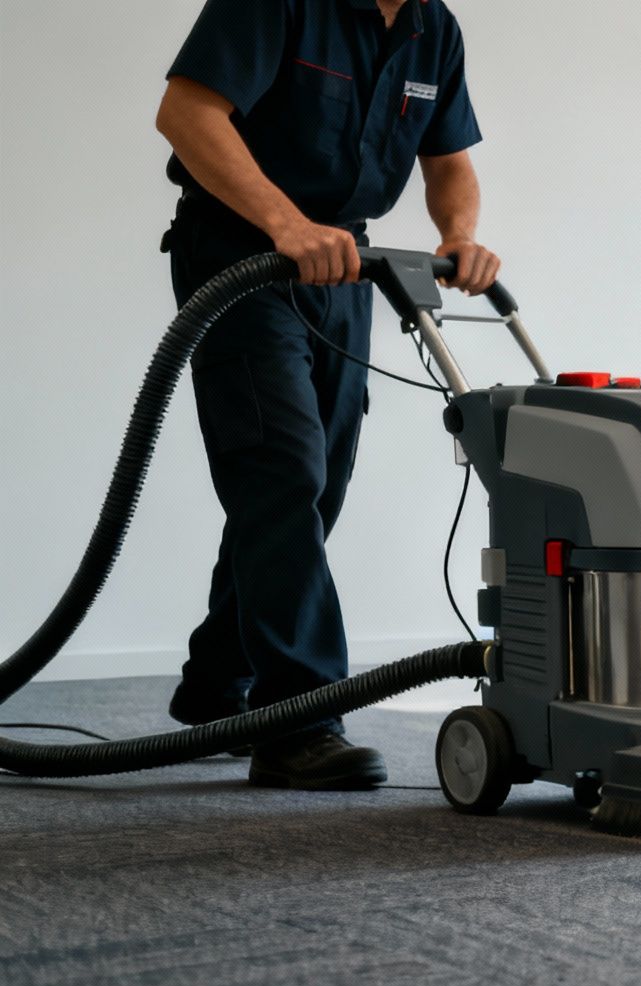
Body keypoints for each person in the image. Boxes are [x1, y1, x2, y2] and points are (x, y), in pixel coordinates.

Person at [155, 0, 500, 789]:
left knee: (316, 486)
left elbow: (449, 160)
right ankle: (298, 721)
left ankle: (219, 684)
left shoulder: (434, 29)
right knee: (281, 471)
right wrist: (285, 223)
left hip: (343, 265)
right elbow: (186, 112)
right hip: (242, 251)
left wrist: (458, 235)